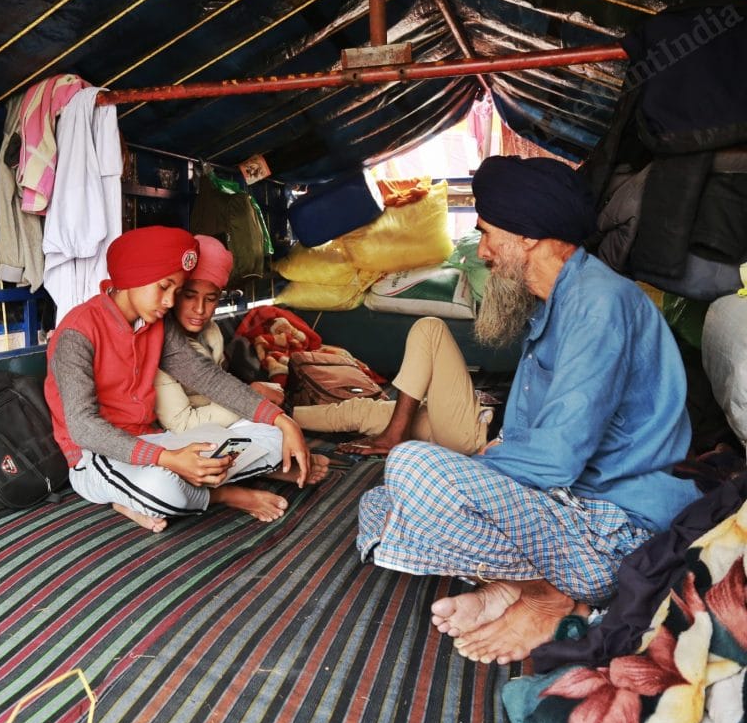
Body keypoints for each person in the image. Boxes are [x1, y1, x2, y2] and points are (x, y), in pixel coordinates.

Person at [356, 156, 701, 665]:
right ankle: (510, 587)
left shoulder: (598, 303)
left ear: (529, 236)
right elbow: (534, 448)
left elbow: (557, 458)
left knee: (412, 466)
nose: (486, 252)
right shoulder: (556, 305)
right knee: (380, 505)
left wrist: (474, 474)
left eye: (489, 234)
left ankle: (548, 596)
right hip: (565, 510)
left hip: (611, 527)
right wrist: (490, 466)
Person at [44, 225, 312, 533]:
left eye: (176, 290)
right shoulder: (77, 332)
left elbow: (207, 377)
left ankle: (139, 497)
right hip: (96, 455)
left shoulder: (155, 324)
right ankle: (221, 494)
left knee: (275, 439)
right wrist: (168, 460)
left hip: (155, 441)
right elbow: (83, 427)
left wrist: (282, 420)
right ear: (133, 279)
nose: (171, 302)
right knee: (162, 487)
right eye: (164, 287)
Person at [153, 235, 330, 483]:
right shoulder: (158, 341)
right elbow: (181, 425)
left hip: (219, 420)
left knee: (277, 430)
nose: (200, 309)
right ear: (174, 294)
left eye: (211, 298)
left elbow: (219, 384)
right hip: (184, 434)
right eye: (189, 296)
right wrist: (251, 398)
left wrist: (253, 403)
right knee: (193, 461)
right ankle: (269, 469)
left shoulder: (211, 332)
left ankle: (270, 462)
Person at [291, 315, 493, 456]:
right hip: (452, 429)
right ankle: (276, 415)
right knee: (359, 411)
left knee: (430, 328)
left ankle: (395, 434)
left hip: (479, 433)